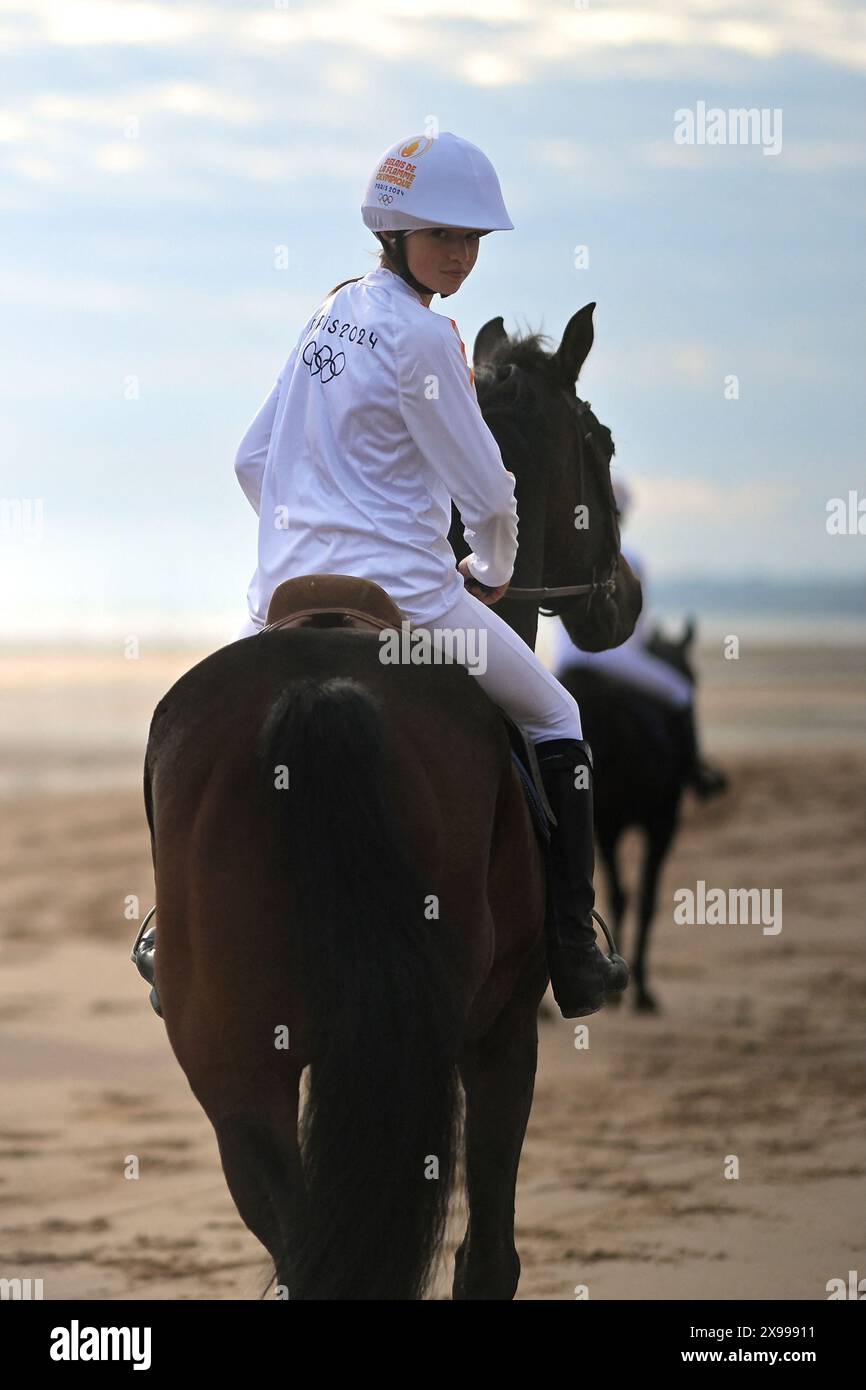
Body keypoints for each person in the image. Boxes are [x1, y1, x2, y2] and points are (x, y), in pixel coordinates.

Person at [133, 132, 627, 1020]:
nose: (463, 256)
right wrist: (492, 567)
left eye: (475, 241)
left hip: (279, 596)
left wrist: (308, 535)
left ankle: (173, 927)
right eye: (446, 237)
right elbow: (488, 488)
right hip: (412, 601)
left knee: (194, 724)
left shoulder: (330, 312)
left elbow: (252, 460)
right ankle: (572, 946)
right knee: (559, 713)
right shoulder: (428, 340)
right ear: (396, 232)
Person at [552, 474, 728, 799]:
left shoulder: (568, 554)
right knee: (681, 691)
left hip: (565, 661)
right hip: (616, 659)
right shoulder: (629, 558)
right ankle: (694, 773)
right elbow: (637, 629)